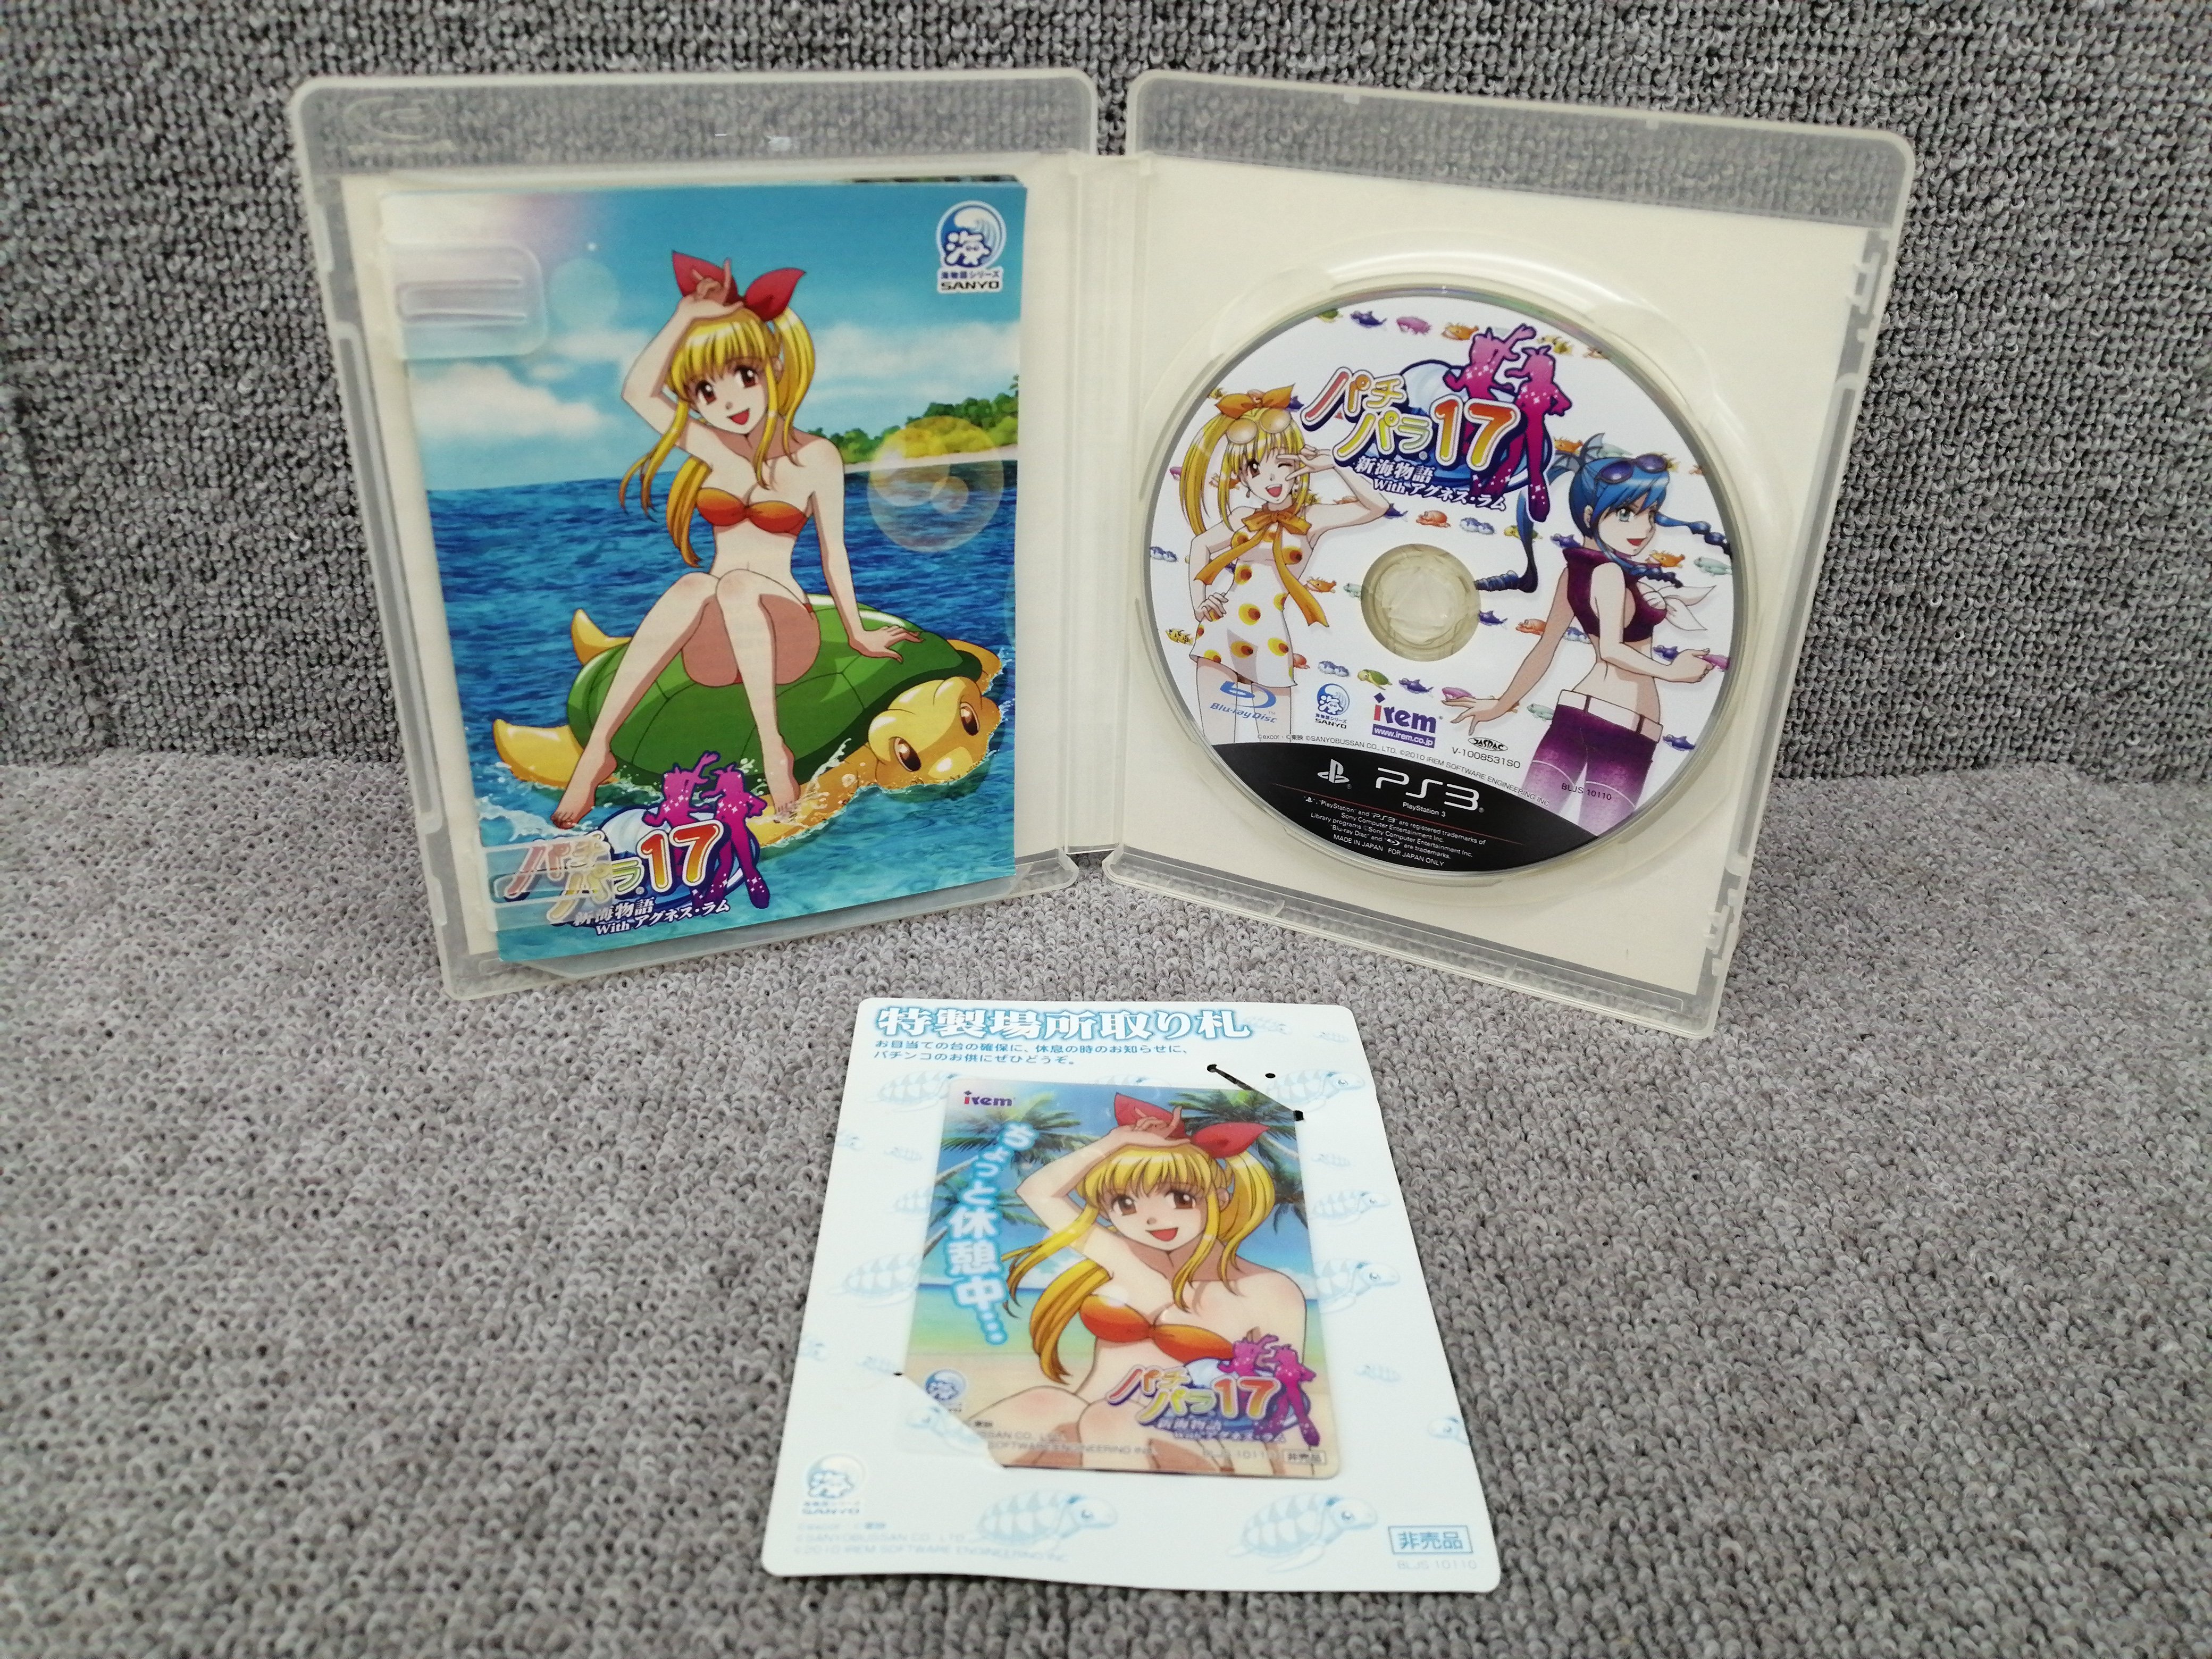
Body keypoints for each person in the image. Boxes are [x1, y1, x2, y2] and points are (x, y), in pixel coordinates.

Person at [551, 253, 916, 827]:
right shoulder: (712, 449)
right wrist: (685, 317)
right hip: (716, 647)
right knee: (695, 584)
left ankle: (773, 747)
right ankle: (597, 752)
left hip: (784, 632)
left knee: (738, 583)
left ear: (773, 367)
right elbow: (638, 393)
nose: (729, 402)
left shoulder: (815, 457)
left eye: (744, 376)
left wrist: (857, 633)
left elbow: (834, 553)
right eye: (705, 390)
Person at [968, 1097, 1309, 1473]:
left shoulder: (1266, 1290)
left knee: (1112, 1418)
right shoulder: (1125, 1260)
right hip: (1090, 1427)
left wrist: (1292, 1478)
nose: (1151, 1218)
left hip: (1193, 1439)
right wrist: (1114, 1142)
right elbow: (1038, 1193)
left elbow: (1286, 1402)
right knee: (1043, 1403)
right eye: (1125, 1204)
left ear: (1220, 1197)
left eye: (1180, 1198)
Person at [1448, 437, 1728, 832]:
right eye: (1627, 513)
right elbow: (1612, 650)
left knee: (1524, 832)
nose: (1645, 528)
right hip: (1626, 726)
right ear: (1590, 514)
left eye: (1651, 514)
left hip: (1574, 715)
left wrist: (1502, 704)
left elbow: (1545, 647)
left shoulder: (1573, 573)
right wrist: (1672, 672)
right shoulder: (1611, 573)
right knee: (1596, 839)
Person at [1180, 387, 1387, 741]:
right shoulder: (1244, 516)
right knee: (1215, 741)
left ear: (1298, 464)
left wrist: (1336, 464)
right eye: (1255, 469)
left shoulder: (1313, 517)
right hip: (1221, 627)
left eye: (1282, 464)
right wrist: (1199, 601)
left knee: (1276, 745)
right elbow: (1200, 545)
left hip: (1270, 636)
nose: (1272, 479)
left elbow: (1377, 507)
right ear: (1244, 477)